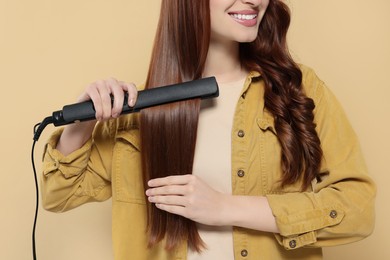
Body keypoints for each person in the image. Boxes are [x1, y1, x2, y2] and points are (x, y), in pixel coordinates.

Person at [41, 0, 376, 259]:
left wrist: (224, 208)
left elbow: (357, 210)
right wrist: (82, 121)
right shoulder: (140, 110)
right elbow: (59, 195)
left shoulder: (298, 90)